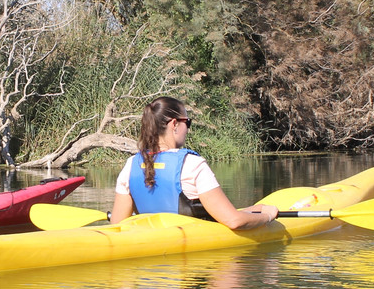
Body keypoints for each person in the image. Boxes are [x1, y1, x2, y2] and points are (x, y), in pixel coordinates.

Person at [110, 97, 279, 229]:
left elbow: (117, 224)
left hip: (151, 244)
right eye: (187, 122)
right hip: (188, 260)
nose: (188, 129)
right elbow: (233, 221)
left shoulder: (131, 164)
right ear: (174, 124)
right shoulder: (192, 164)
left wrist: (252, 210)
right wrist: (267, 216)